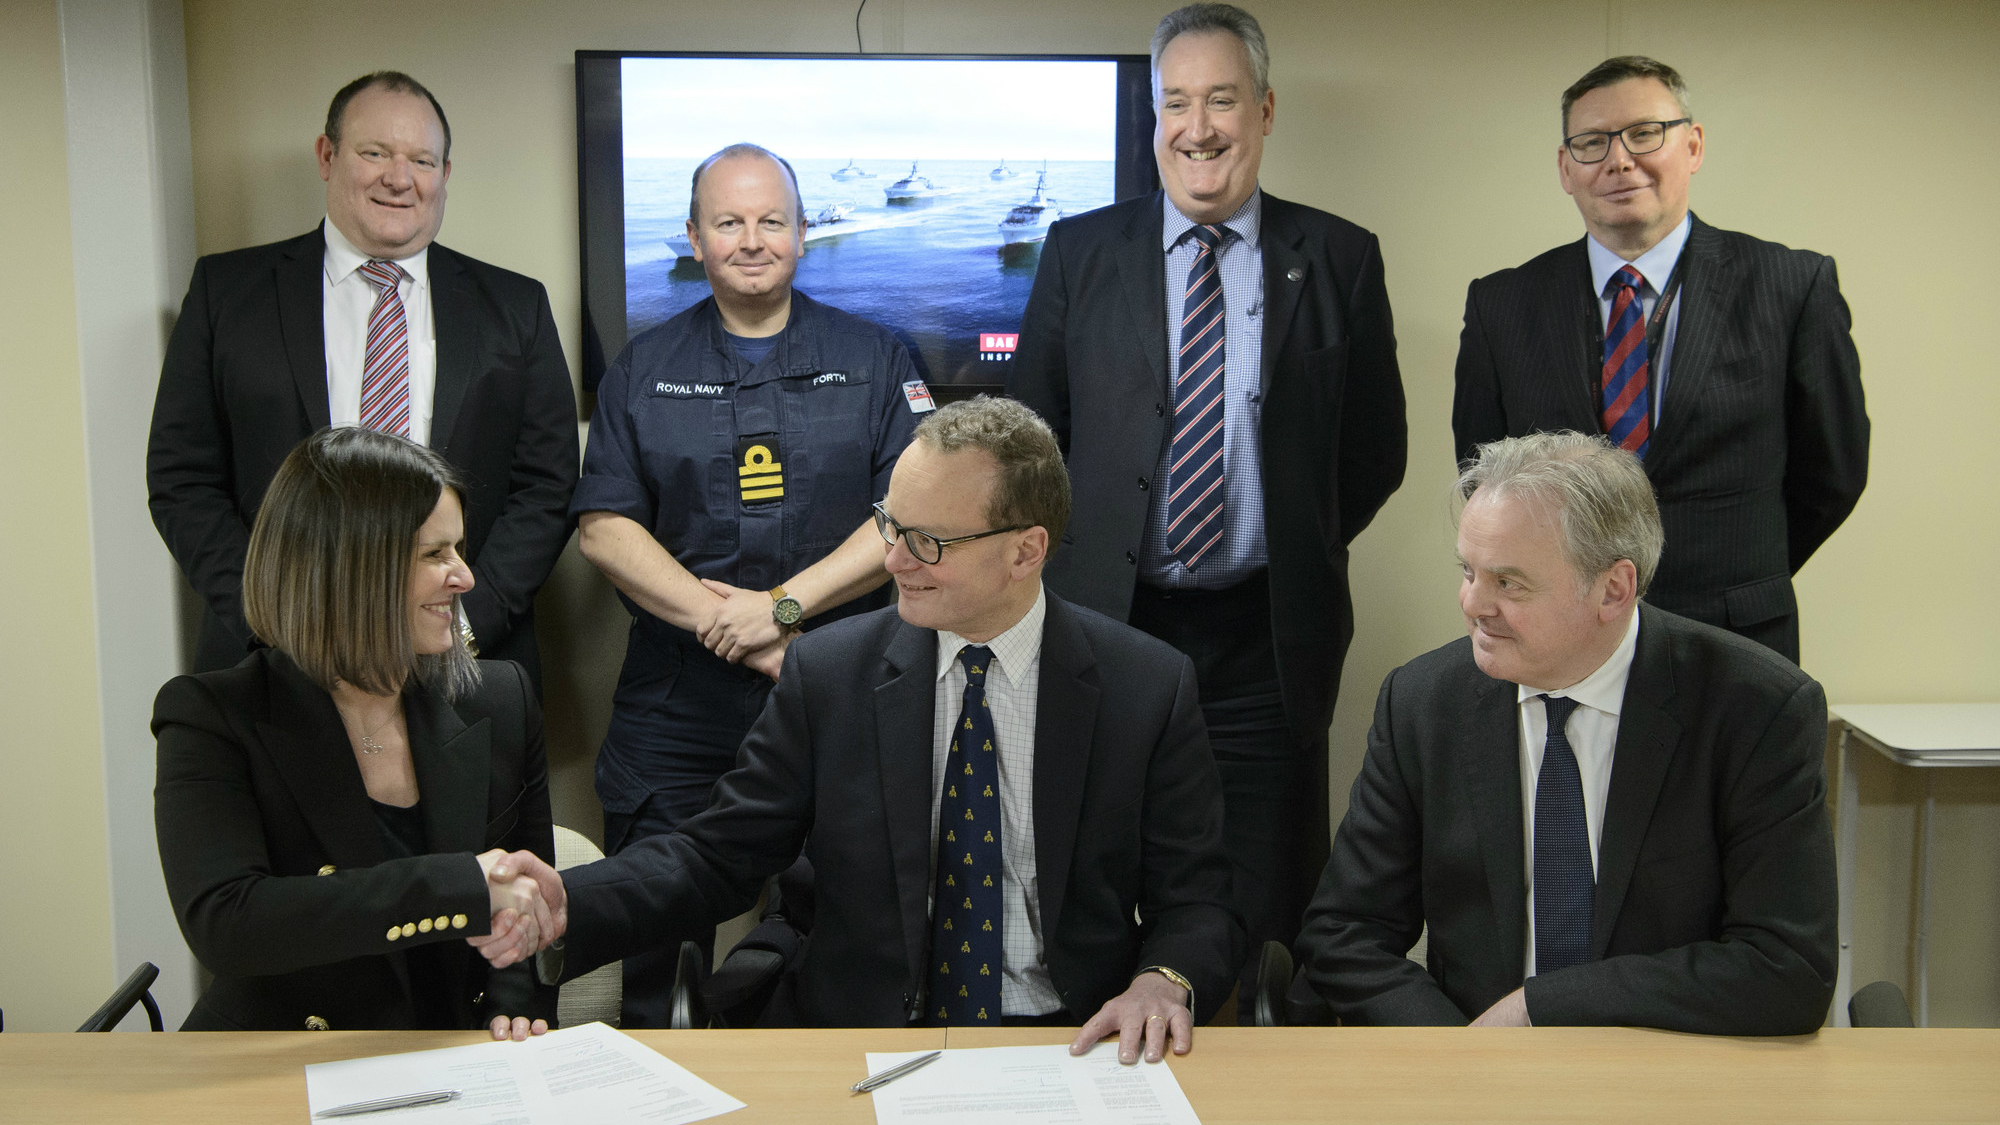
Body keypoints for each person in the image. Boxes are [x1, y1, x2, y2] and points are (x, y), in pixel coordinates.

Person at [491, 397, 1240, 1062]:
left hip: (1071, 1040)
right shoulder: (831, 673)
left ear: (1026, 550)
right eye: (891, 525)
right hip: (861, 1038)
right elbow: (714, 856)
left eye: (929, 542)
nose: (892, 560)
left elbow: (1198, 899)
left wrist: (1162, 979)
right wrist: (570, 899)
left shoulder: (1145, 686)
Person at [1007, 2, 1407, 1006]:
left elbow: (1371, 453)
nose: (1196, 127)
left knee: (1261, 899)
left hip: (1263, 639)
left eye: (1219, 100)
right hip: (1107, 627)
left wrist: (1285, 539)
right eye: (1173, 103)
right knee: (1096, 872)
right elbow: (1032, 445)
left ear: (1264, 111)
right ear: (1152, 119)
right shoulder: (1078, 252)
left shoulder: (1339, 258)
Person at [1295, 431, 1837, 1034]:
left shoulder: (1755, 709)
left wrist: (1541, 1006)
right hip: (1472, 1070)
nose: (1473, 603)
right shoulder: (1423, 702)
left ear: (1613, 590)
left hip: (1669, 1068)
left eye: (1509, 583)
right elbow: (1344, 933)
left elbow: (1788, 968)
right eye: (1468, 571)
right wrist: (1459, 1054)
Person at [571, 143, 926, 1025]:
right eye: (728, 222)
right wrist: (734, 625)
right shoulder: (641, 368)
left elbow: (912, 510)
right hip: (677, 708)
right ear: (693, 237)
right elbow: (605, 525)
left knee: (852, 956)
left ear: (804, 233)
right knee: (655, 960)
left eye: (772, 220)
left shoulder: (879, 357)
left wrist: (784, 611)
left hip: (843, 696)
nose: (752, 239)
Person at [148, 71, 577, 687]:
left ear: (445, 175)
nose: (398, 178)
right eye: (374, 153)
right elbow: (182, 477)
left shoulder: (515, 306)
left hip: (464, 663)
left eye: (421, 159)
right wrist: (275, 620)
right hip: (273, 662)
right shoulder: (227, 293)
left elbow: (548, 485)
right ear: (327, 156)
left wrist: (463, 625)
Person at [1451, 56, 1868, 665]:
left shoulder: (1791, 285)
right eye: (1591, 143)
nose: (1619, 160)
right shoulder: (1502, 303)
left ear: (1692, 145)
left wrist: (1742, 568)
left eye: (1645, 133)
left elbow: (1832, 473)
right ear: (1566, 169)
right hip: (1561, 635)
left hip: (1736, 635)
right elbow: (1486, 477)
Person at [152, 426, 559, 1037]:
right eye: (435, 554)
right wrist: (453, 887)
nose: (465, 577)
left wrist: (513, 1005)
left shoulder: (500, 699)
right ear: (350, 569)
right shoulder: (211, 715)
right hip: (281, 1057)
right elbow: (229, 925)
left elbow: (520, 909)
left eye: (460, 548)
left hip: (459, 1055)